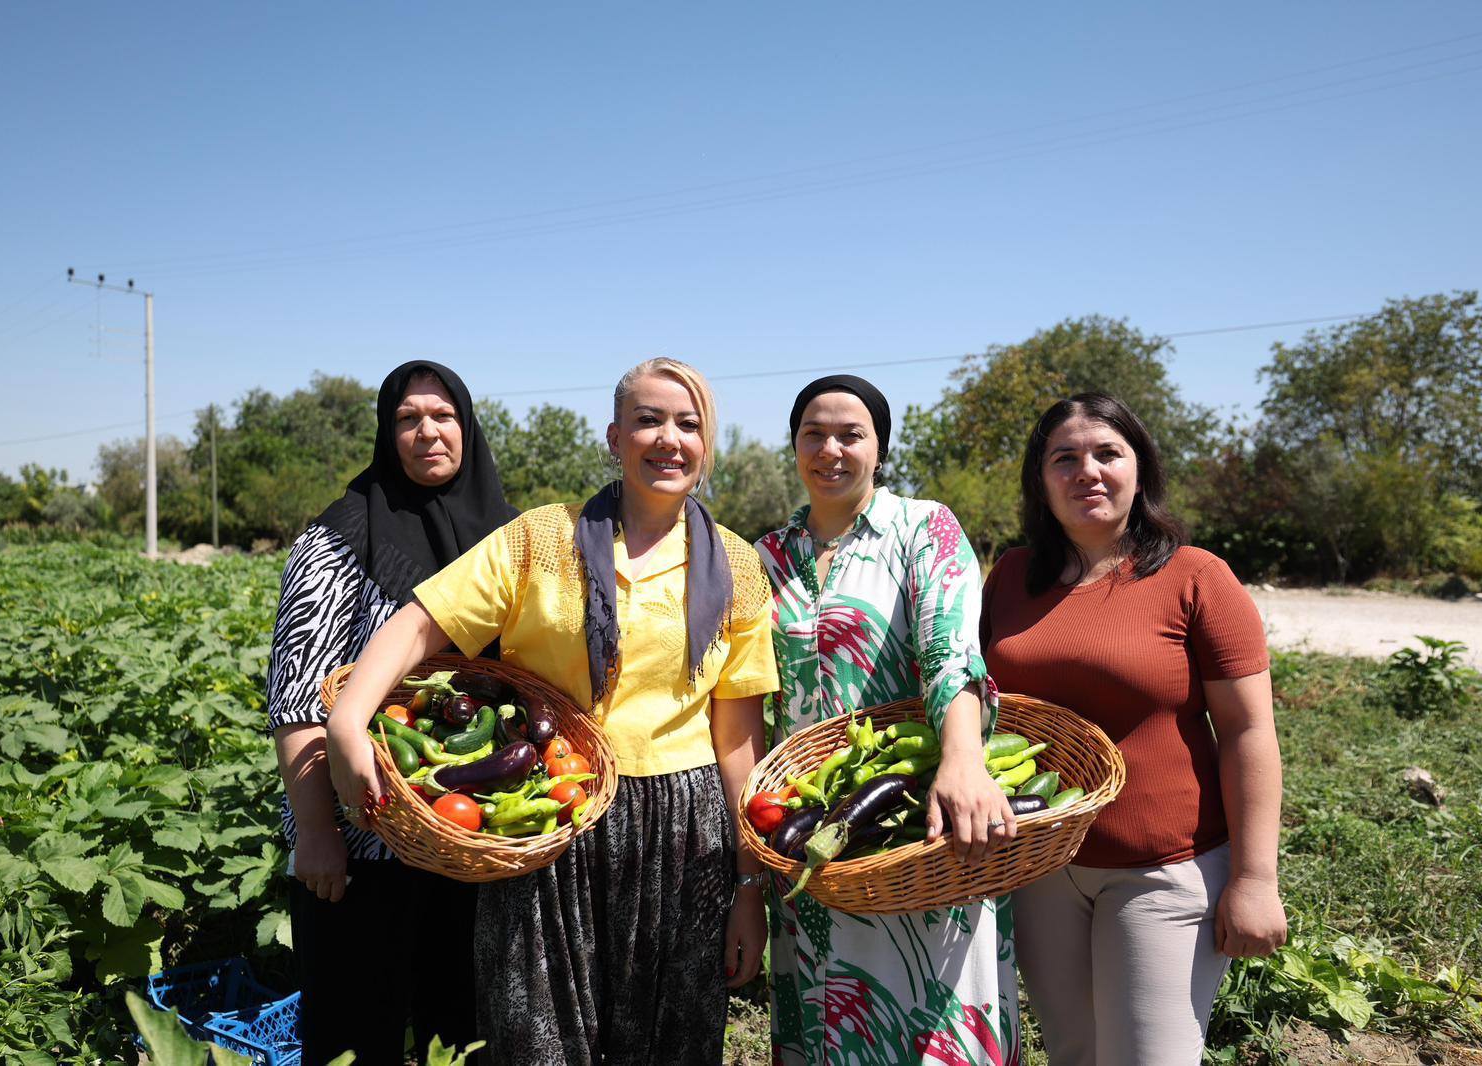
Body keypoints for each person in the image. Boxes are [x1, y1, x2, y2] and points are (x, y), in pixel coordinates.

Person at [322, 357, 779, 1065]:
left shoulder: (738, 565)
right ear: (614, 437)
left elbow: (738, 740)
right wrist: (347, 719)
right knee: (537, 1038)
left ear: (707, 443)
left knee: (673, 1044)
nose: (669, 439)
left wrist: (749, 886)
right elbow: (421, 623)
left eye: (688, 424)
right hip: (550, 814)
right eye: (648, 420)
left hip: (688, 836)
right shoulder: (540, 539)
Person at [981, 393, 1288, 1066]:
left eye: (1107, 454)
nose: (1087, 471)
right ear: (1041, 480)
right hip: (1042, 867)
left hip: (1163, 871)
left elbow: (1247, 730)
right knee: (1074, 1053)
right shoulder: (1008, 578)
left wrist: (1255, 879)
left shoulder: (1194, 577)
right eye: (1065, 458)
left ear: (1139, 469)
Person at [756, 374, 1020, 1066]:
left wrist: (962, 762)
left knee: (927, 1020)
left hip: (915, 823)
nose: (831, 449)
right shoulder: (767, 557)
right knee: (827, 1023)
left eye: (851, 434)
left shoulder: (922, 528)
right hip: (811, 834)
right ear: (794, 446)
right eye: (814, 433)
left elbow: (950, 652)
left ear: (880, 449)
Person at [268, 360, 515, 1064]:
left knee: (462, 1027)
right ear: (387, 432)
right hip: (363, 836)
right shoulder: (341, 537)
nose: (427, 432)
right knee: (355, 1028)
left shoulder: (504, 540)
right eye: (408, 419)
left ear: (467, 427)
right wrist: (317, 830)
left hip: (474, 840)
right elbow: (296, 693)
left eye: (443, 417)